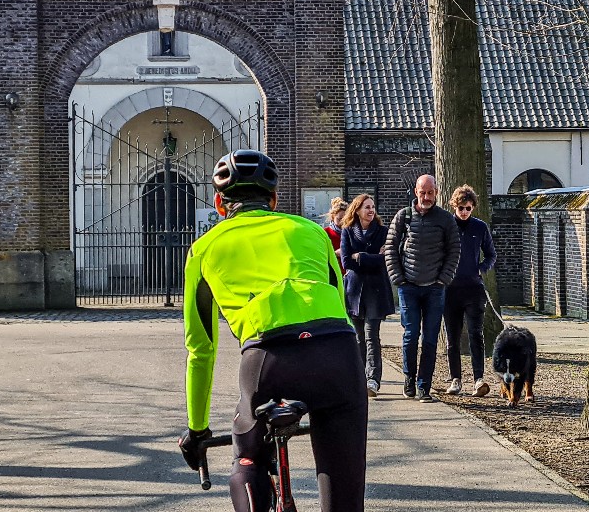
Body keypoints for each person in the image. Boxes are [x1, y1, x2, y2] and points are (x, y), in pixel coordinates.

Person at [178, 150, 367, 512]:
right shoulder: (313, 231)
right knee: (345, 484)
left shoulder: (202, 249)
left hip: (269, 359)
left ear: (219, 204)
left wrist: (197, 429)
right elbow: (340, 307)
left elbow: (200, 349)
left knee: (247, 453)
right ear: (275, 200)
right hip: (338, 355)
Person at [384, 174, 460, 403]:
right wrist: (398, 279)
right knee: (410, 335)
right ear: (415, 192)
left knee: (430, 339)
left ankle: (424, 386)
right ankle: (409, 377)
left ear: (436, 193)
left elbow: (454, 251)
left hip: (435, 288)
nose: (426, 197)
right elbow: (390, 248)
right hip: (408, 286)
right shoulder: (403, 216)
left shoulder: (446, 219)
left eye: (430, 193)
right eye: (422, 192)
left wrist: (443, 279)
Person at [443, 184, 497, 397]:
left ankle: (478, 379)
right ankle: (455, 379)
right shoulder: (447, 226)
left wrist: (481, 268)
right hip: (450, 290)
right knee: (453, 337)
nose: (464, 212)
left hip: (474, 289)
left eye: (468, 208)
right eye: (461, 208)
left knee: (476, 334)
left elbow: (491, 254)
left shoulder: (480, 227)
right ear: (454, 206)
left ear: (473, 207)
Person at [340, 194, 395, 398]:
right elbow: (346, 262)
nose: (371, 210)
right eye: (367, 207)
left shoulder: (382, 232)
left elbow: (385, 260)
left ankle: (373, 379)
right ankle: (359, 378)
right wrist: (373, 257)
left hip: (376, 290)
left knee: (372, 336)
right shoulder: (347, 231)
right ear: (357, 210)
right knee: (358, 338)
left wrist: (361, 257)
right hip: (354, 291)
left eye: (373, 207)